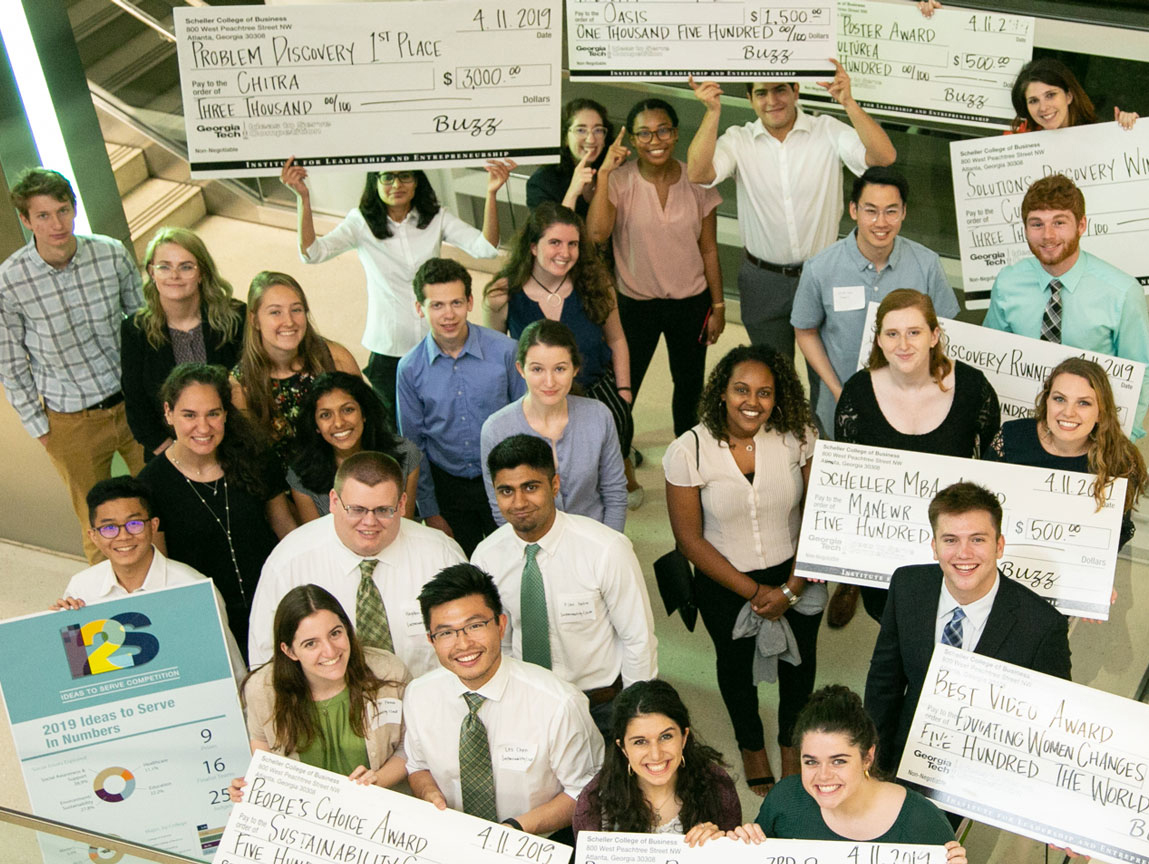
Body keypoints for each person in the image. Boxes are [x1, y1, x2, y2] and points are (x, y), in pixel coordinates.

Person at [663, 344, 825, 798]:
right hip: (723, 580)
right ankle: (752, 748)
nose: (752, 402)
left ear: (779, 398)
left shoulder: (799, 435)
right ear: (721, 392)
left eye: (765, 392)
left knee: (801, 667)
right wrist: (754, 591)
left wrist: (792, 586)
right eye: (741, 390)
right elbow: (689, 540)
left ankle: (791, 746)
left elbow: (819, 513)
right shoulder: (688, 449)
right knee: (734, 670)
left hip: (798, 569)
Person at [281, 158, 514, 421]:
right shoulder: (361, 222)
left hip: (436, 340)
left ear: (417, 181)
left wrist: (492, 192)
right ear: (375, 181)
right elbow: (312, 254)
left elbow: (486, 247)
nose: (396, 184)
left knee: (444, 415)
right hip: (389, 345)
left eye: (405, 176)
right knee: (398, 425)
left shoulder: (436, 217)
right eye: (387, 177)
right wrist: (303, 198)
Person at [686, 64, 896, 356]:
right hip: (764, 279)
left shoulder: (827, 130)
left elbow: (883, 157)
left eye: (780, 89)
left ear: (796, 90)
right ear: (750, 99)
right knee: (773, 375)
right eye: (761, 93)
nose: (772, 101)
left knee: (831, 372)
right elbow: (699, 174)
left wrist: (848, 102)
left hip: (826, 273)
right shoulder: (738, 139)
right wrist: (712, 113)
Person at [864, 482, 1072, 776]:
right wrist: (874, 766)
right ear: (934, 546)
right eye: (950, 540)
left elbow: (1049, 725)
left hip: (985, 778)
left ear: (999, 545)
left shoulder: (1042, 626)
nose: (963, 553)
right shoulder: (907, 586)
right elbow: (883, 683)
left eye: (977, 539)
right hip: (903, 761)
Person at [830, 289, 1000, 627]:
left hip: (956, 546)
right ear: (878, 340)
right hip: (884, 549)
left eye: (914, 332)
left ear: (935, 336)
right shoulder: (857, 393)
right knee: (895, 625)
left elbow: (994, 464)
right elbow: (846, 478)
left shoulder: (972, 388)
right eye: (892, 334)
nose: (903, 344)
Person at [0, 168, 144, 563]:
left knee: (158, 505)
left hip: (133, 403)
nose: (57, 224)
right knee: (97, 526)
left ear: (74, 208)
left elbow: (143, 324)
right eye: (43, 216)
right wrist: (42, 429)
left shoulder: (111, 253)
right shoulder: (10, 281)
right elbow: (11, 362)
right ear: (26, 221)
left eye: (63, 210)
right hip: (71, 420)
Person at [472, 434, 657, 737]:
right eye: (506, 491)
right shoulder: (486, 557)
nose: (519, 503)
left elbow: (638, 640)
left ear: (554, 485)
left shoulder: (606, 549)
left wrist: (636, 717)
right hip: (527, 701)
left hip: (600, 705)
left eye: (531, 487)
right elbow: (497, 640)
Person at [403, 563, 603, 836]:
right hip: (452, 842)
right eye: (446, 633)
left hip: (536, 843)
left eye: (474, 625)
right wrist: (429, 794)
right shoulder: (418, 695)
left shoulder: (559, 703)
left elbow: (587, 791)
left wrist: (514, 830)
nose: (463, 644)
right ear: (431, 639)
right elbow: (418, 766)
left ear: (500, 624)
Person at [248, 450, 465, 674]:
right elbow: (265, 661)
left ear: (401, 504)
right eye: (357, 510)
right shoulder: (289, 563)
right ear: (333, 501)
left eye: (383, 510)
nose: (369, 522)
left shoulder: (441, 555)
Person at [586, 98, 725, 438]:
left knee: (690, 389)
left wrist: (718, 306)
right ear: (632, 140)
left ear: (676, 134)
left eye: (663, 130)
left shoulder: (699, 181)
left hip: (691, 303)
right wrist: (604, 172)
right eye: (644, 134)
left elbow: (708, 249)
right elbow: (596, 234)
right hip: (636, 306)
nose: (655, 140)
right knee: (623, 388)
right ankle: (617, 465)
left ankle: (686, 463)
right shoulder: (619, 181)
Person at [483, 203, 639, 504]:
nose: (564, 253)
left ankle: (626, 467)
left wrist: (624, 392)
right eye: (554, 242)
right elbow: (497, 355)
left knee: (603, 478)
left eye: (573, 244)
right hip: (539, 400)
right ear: (532, 246)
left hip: (599, 393)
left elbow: (617, 339)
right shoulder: (504, 293)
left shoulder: (597, 285)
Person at [138, 363, 296, 655]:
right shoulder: (150, 484)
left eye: (213, 413)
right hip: (204, 620)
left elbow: (285, 528)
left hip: (273, 603)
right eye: (189, 415)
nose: (203, 427)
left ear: (226, 413)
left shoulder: (255, 456)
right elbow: (159, 570)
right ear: (168, 413)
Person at [791, 167, 958, 437]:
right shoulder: (820, 268)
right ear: (854, 210)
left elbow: (946, 329)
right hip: (842, 402)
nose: (881, 222)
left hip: (914, 407)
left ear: (904, 212)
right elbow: (805, 330)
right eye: (871, 210)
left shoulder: (927, 265)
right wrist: (837, 390)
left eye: (891, 211)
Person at [983, 174, 1149, 439]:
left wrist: (1122, 436)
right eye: (1037, 224)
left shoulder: (1122, 292)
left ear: (1081, 225)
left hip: (1095, 434)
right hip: (1022, 428)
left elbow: (1142, 372)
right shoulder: (1008, 282)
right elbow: (989, 356)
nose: (1048, 235)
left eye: (1059, 223)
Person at [49, 476, 246, 680]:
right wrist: (58, 630)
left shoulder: (193, 587)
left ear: (153, 526)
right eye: (109, 528)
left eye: (134, 524)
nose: (123, 536)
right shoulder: (82, 586)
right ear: (93, 536)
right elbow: (74, 670)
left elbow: (232, 670)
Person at [729, 685, 965, 854]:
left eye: (838, 761)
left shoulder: (924, 824)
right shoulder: (784, 800)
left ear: (867, 757)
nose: (823, 776)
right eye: (811, 761)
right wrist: (737, 846)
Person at [229, 585, 409, 803]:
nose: (331, 651)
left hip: (384, 811)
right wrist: (247, 789)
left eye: (335, 633)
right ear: (289, 651)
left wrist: (376, 781)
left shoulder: (388, 670)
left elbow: (410, 747)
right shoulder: (262, 689)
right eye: (311, 643)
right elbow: (266, 765)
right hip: (309, 827)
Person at [397, 258, 525, 557]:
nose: (449, 314)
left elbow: (524, 422)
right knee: (463, 565)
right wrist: (429, 510)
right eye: (437, 305)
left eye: (456, 302)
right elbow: (414, 445)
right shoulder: (409, 369)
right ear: (420, 308)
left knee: (514, 558)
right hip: (448, 486)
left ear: (469, 301)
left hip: (503, 477)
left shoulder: (506, 352)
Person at [481, 320, 627, 531]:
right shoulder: (495, 429)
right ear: (521, 369)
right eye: (537, 369)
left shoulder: (599, 415)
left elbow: (615, 493)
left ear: (575, 369)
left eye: (559, 369)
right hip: (531, 542)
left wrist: (610, 546)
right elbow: (502, 507)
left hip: (595, 538)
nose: (549, 382)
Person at [988, 358, 1147, 551]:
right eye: (1059, 399)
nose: (1068, 412)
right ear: (1047, 400)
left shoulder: (1119, 457)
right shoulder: (1012, 436)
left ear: (1101, 412)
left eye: (1083, 403)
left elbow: (1117, 532)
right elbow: (980, 508)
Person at [121, 227, 245, 459]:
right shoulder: (135, 330)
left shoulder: (235, 317)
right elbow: (138, 410)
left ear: (202, 273)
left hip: (236, 447)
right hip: (169, 454)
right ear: (151, 272)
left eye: (186, 267)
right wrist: (178, 459)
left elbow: (250, 390)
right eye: (164, 267)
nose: (174, 276)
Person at [572, 679, 740, 840]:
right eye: (640, 742)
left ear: (684, 737)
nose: (656, 755)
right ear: (623, 748)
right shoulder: (595, 801)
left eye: (665, 737)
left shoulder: (717, 786)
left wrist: (720, 844)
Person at [230, 271, 359, 469]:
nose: (289, 321)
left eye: (296, 310)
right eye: (275, 312)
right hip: (280, 492)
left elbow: (370, 428)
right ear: (254, 320)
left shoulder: (335, 359)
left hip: (347, 479)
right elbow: (252, 462)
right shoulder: (241, 384)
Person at [288, 372, 419, 523]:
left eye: (348, 410)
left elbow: (404, 528)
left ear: (364, 413)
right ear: (316, 425)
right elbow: (316, 541)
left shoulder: (405, 455)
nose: (338, 423)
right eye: (325, 415)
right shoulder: (301, 475)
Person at [526, 98, 615, 219]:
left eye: (598, 130)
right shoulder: (542, 182)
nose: (591, 139)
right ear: (565, 139)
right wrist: (572, 192)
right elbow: (549, 234)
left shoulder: (614, 172)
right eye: (581, 130)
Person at [1009, 57, 1138, 133]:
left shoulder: (1097, 134)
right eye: (1033, 101)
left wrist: (1127, 130)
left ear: (1069, 96)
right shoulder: (1018, 144)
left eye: (1050, 95)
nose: (1043, 107)